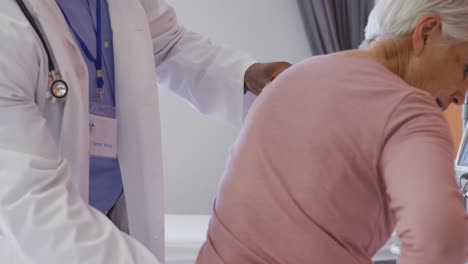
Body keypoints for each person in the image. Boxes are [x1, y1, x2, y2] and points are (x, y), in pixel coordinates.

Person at [0, 0, 291, 263]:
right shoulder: (8, 25)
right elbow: (31, 206)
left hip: (113, 214)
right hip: (39, 242)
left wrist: (242, 76)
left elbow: (167, 42)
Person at [196, 0, 468, 263]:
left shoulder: (295, 75)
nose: (462, 95)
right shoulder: (409, 111)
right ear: (427, 31)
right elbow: (439, 244)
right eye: (465, 69)